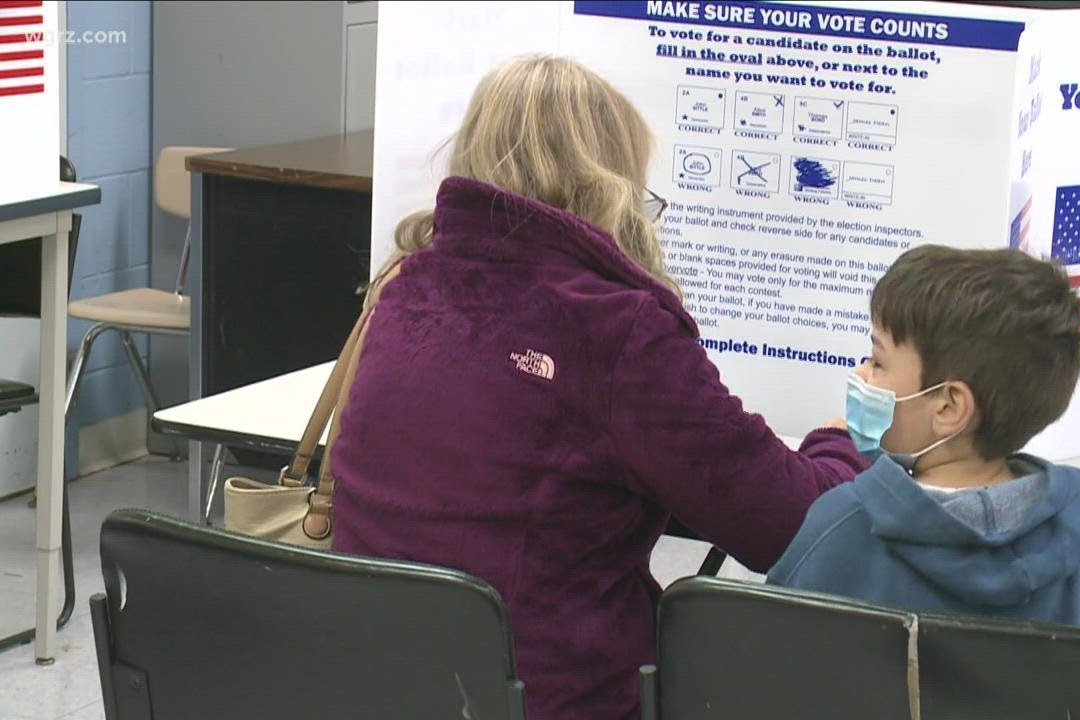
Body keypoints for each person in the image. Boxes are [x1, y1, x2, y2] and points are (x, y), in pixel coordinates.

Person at [325, 55, 868, 720]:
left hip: (378, 682)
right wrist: (841, 443)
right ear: (608, 180)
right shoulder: (614, 329)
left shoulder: (408, 285)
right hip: (543, 697)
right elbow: (789, 526)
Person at [767, 245, 1080, 720]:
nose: (862, 374)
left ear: (948, 407)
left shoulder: (839, 527)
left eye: (878, 361)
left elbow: (765, 685)